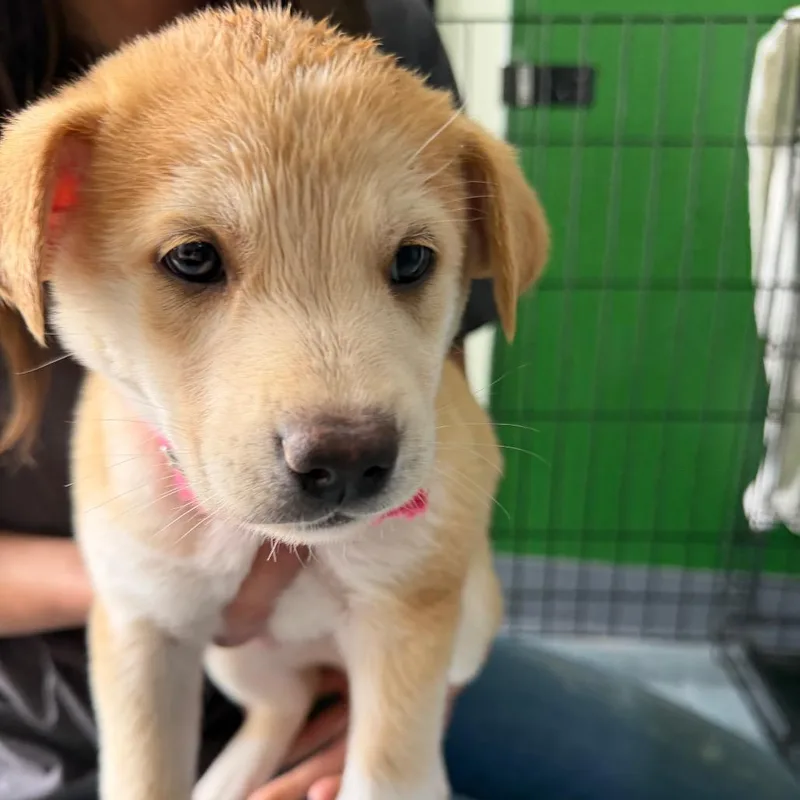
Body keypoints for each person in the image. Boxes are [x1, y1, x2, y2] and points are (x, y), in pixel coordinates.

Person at [0, 2, 798, 799]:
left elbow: (422, 596)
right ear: (50, 214)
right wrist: (139, 580)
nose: (342, 415)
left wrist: (393, 742)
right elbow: (143, 636)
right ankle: (271, 721)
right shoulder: (79, 143)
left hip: (383, 651)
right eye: (195, 261)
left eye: (410, 262)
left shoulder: (381, 23)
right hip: (43, 718)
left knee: (742, 784)